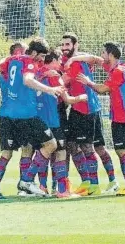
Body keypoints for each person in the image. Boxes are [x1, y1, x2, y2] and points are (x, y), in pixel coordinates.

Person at [75, 42, 125, 196]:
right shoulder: (115, 68)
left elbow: (102, 89)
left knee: (122, 150)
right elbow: (96, 60)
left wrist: (88, 82)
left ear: (110, 55)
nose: (102, 56)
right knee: (121, 151)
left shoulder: (118, 71)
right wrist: (74, 56)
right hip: (120, 117)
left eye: (104, 53)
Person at [0, 37, 64, 196]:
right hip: (27, 114)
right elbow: (28, 80)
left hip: (11, 115)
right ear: (33, 52)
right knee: (51, 145)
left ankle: (26, 183)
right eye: (41, 56)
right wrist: (50, 89)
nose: (42, 60)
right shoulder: (29, 61)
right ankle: (27, 181)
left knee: (29, 148)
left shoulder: (14, 60)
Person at [62, 33, 119, 196]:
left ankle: (96, 184)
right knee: (73, 144)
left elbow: (63, 81)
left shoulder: (76, 62)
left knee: (90, 147)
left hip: (86, 109)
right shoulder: (77, 60)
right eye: (63, 45)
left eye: (68, 44)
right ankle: (90, 181)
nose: (65, 48)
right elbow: (95, 59)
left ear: (75, 45)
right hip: (82, 109)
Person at [36, 48, 88, 198]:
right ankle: (62, 190)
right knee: (61, 152)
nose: (60, 63)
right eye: (59, 60)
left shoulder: (37, 74)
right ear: (53, 60)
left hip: (39, 120)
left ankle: (41, 186)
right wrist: (81, 97)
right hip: (54, 119)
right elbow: (67, 100)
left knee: (44, 152)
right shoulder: (54, 76)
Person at [0, 41, 28, 199]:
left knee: (27, 148)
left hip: (16, 115)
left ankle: (23, 187)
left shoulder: (7, 66)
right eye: (24, 52)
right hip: (10, 116)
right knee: (8, 152)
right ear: (18, 52)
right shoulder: (10, 66)